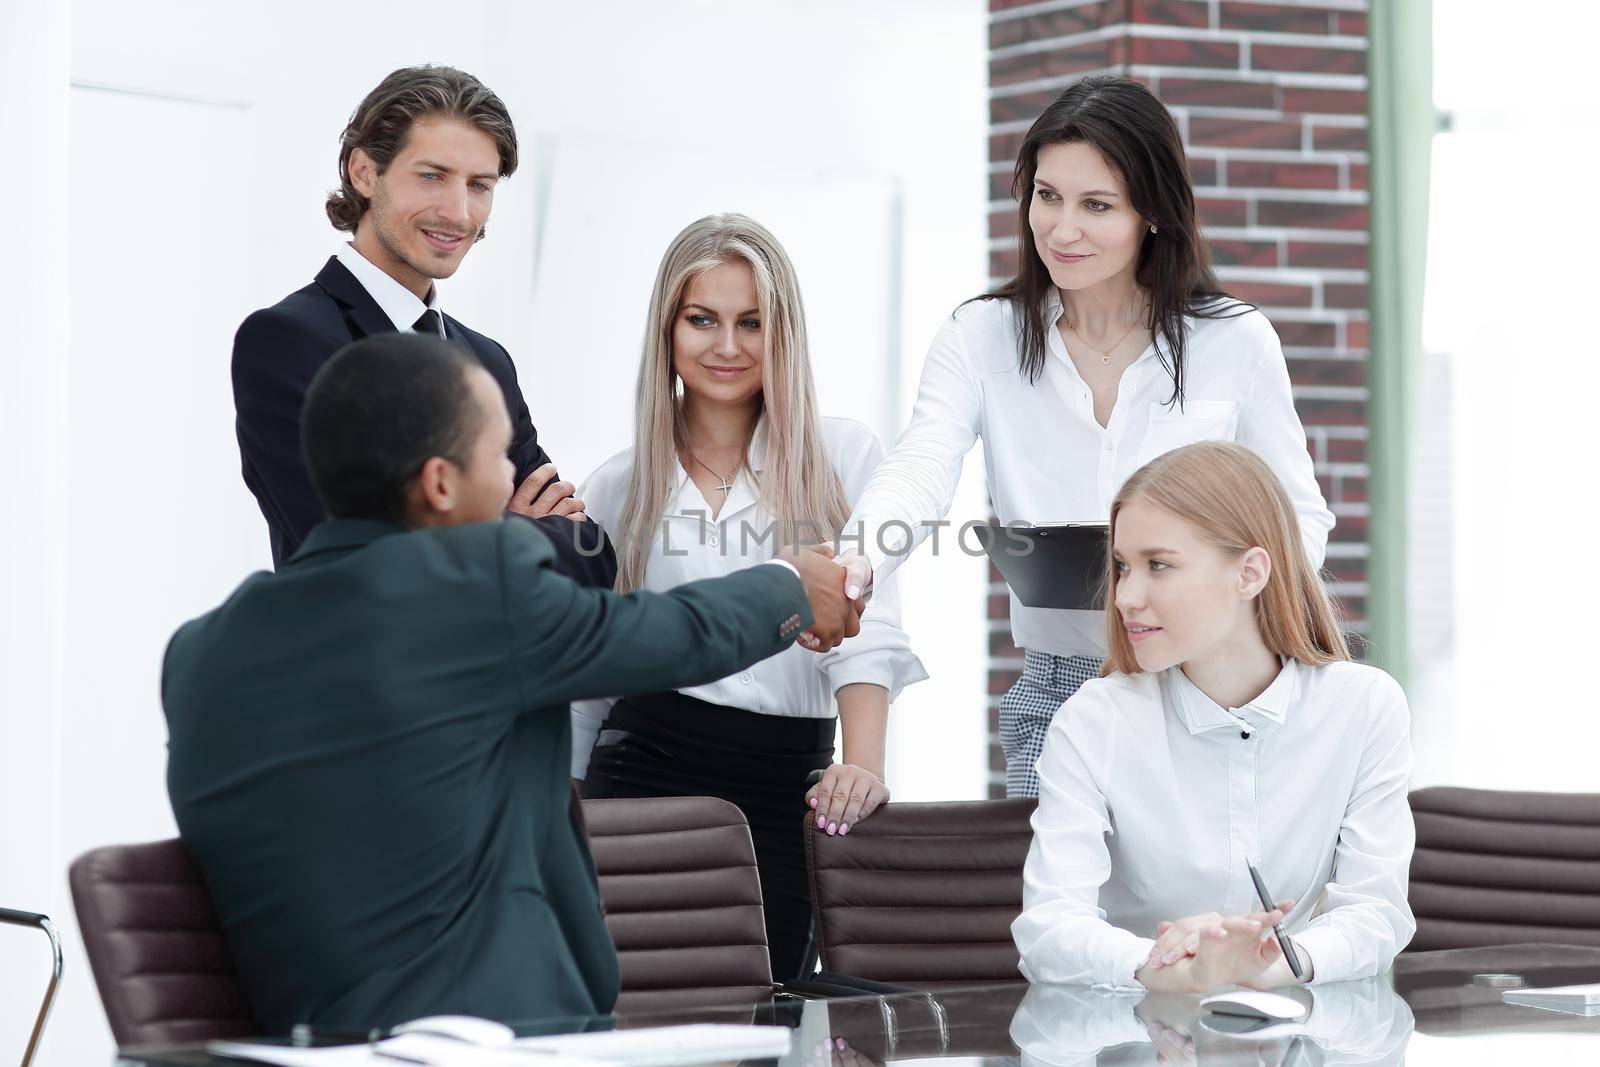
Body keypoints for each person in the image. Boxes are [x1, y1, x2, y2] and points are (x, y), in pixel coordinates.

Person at [164, 333, 863, 1031]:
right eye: (500, 457)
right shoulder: (472, 585)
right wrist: (791, 583)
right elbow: (677, 634)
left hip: (295, 1042)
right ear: (440, 482)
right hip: (492, 1035)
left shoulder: (202, 651)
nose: (513, 481)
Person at [837, 75, 1335, 796]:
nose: (1062, 230)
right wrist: (858, 560)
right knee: (1054, 905)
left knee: (1202, 909)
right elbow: (920, 466)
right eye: (1048, 196)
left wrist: (1235, 610)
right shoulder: (981, 337)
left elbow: (1299, 516)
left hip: (1212, 682)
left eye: (1096, 205)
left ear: (1153, 215)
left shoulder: (1236, 342)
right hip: (1061, 687)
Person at [572, 214, 926, 981]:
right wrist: (553, 823)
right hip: (643, 778)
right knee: (638, 1019)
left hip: (785, 783)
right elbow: (589, 676)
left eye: (751, 322)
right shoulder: (618, 483)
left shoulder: (842, 456)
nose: (727, 345)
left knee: (769, 1020)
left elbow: (871, 630)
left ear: (783, 333)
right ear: (668, 329)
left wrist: (863, 764)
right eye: (702, 319)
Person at [1011, 441, 1414, 992]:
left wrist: (1274, 964)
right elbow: (1049, 930)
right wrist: (1173, 967)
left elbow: (1376, 913)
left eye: (1159, 565)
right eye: (1124, 567)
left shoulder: (1365, 708)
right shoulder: (1093, 721)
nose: (1126, 596)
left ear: (1249, 574)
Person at [231, 64, 608, 581]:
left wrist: (471, 540)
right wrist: (513, 532)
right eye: (432, 176)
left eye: (480, 185)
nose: (458, 212)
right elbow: (365, 565)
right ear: (363, 172)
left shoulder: (488, 361)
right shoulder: (289, 341)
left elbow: (591, 555)